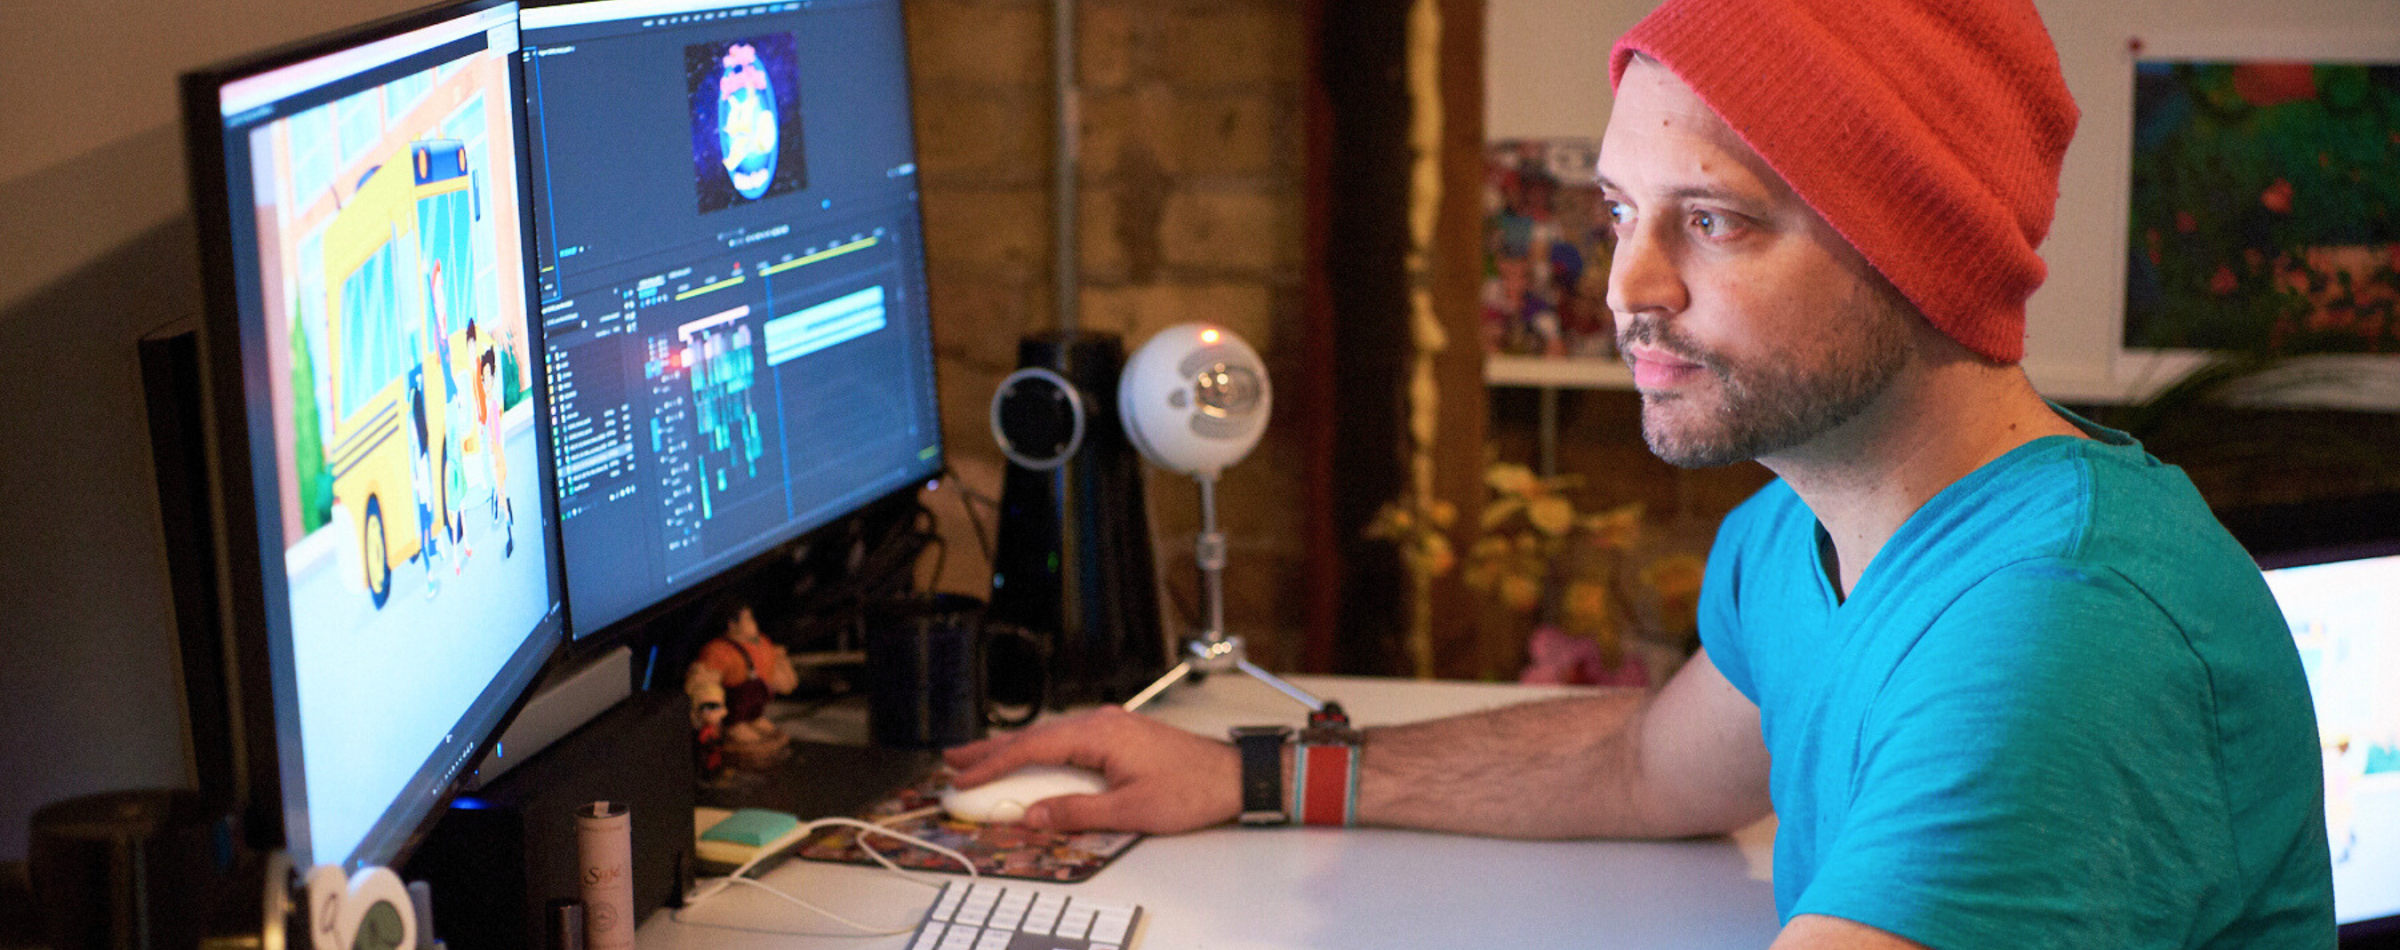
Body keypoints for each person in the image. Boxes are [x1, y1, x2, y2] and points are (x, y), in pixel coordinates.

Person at [943, 0, 2337, 946]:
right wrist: (1241, 775)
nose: (1627, 286)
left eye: (1714, 221)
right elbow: (1639, 767)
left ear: (1924, 253)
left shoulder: (2058, 636)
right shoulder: (1799, 528)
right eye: (1618, 211)